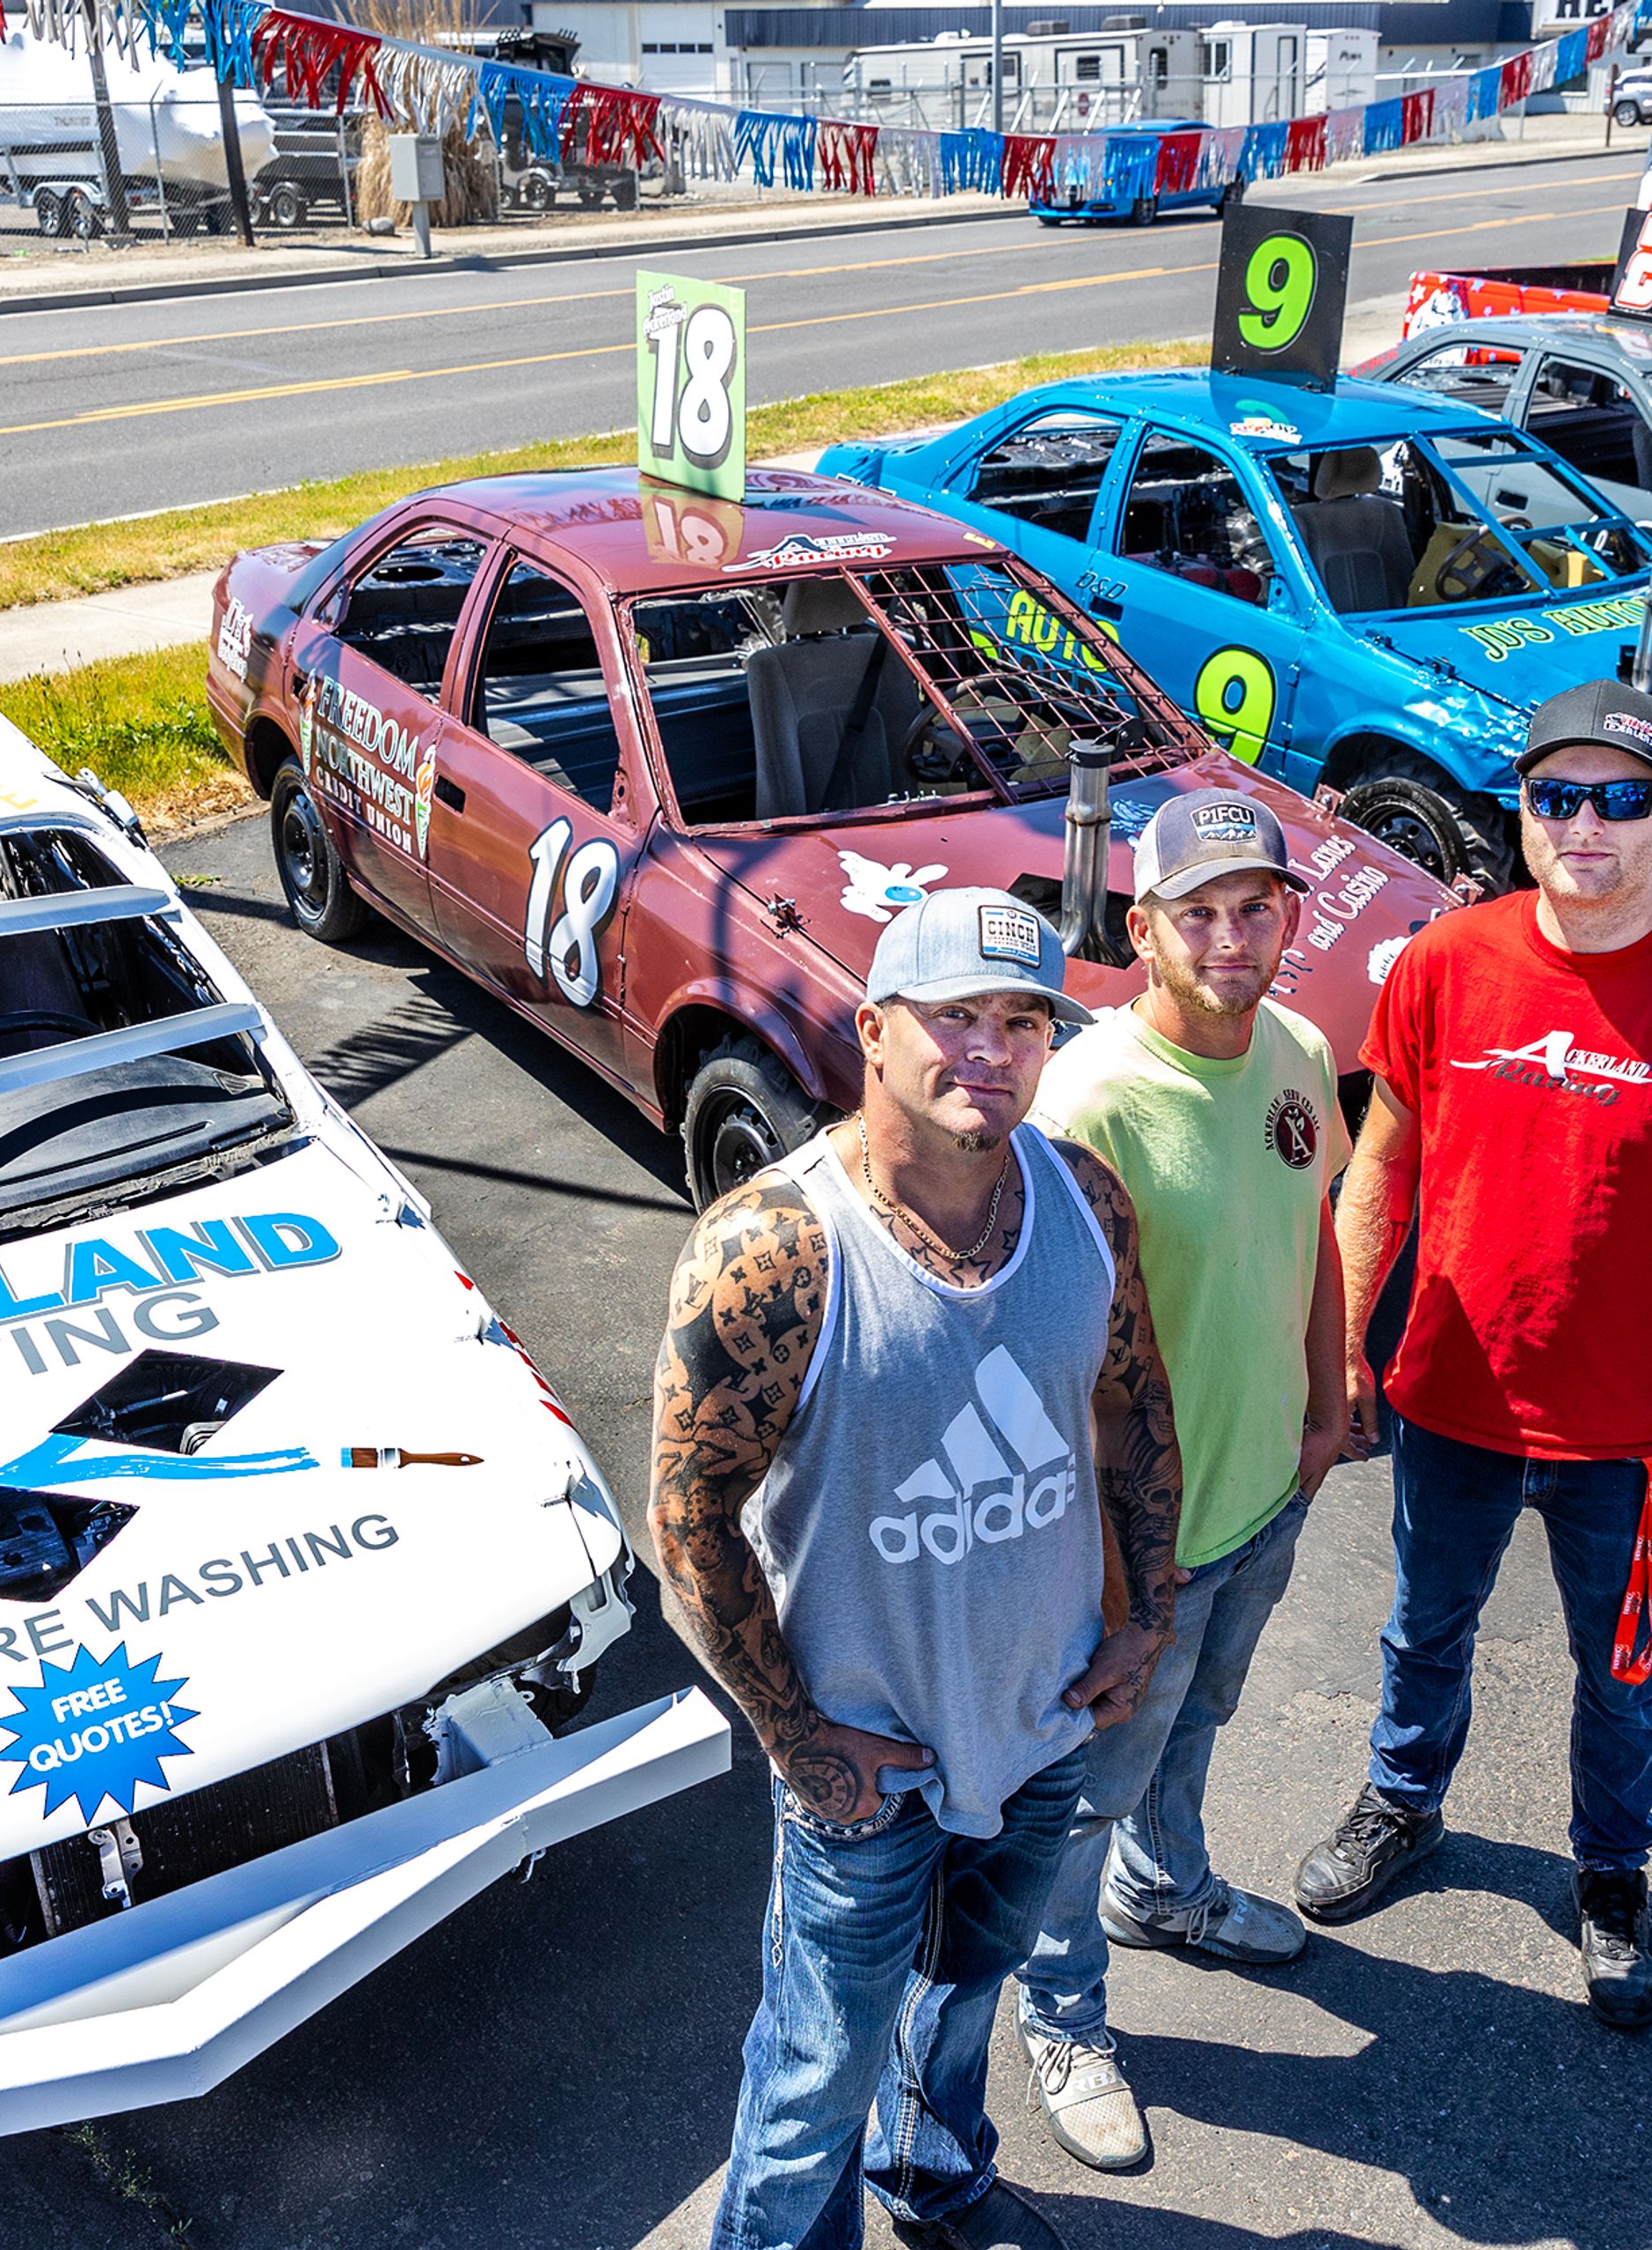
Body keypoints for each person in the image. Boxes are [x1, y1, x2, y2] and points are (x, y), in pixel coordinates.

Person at [651, 886, 1183, 2250]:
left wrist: (1148, 1617)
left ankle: (935, 2177)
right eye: (954, 1017)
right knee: (812, 2075)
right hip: (867, 1758)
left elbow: (1131, 1405)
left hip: (1044, 1714)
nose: (990, 1051)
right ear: (875, 1028)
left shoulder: (1085, 1202)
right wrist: (796, 1740)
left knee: (963, 1997)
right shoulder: (776, 1252)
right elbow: (690, 1515)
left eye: (1022, 1021)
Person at [1293, 679, 1652, 2028]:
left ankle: (1612, 1878)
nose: (1585, 823)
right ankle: (1404, 1804)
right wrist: (1347, 1347)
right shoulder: (1441, 963)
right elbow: (1382, 1174)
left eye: (1619, 798)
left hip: (1630, 1435)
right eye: (1556, 796)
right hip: (1450, 1401)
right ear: (1519, 811)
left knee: (1623, 1671)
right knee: (1424, 1626)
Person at [1011, 791, 1348, 2172]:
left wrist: (1329, 1409)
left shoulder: (1301, 1050)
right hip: (1136, 1542)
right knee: (1090, 1787)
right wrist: (1102, 1563)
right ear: (1140, 930)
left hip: (1267, 1489)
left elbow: (1312, 1233)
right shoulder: (1090, 1100)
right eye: (1195, 914)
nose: (1228, 937)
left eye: (1252, 908)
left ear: (1288, 917)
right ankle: (1062, 2009)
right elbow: (1046, 1354)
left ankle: (1173, 1891)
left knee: (1204, 1718)